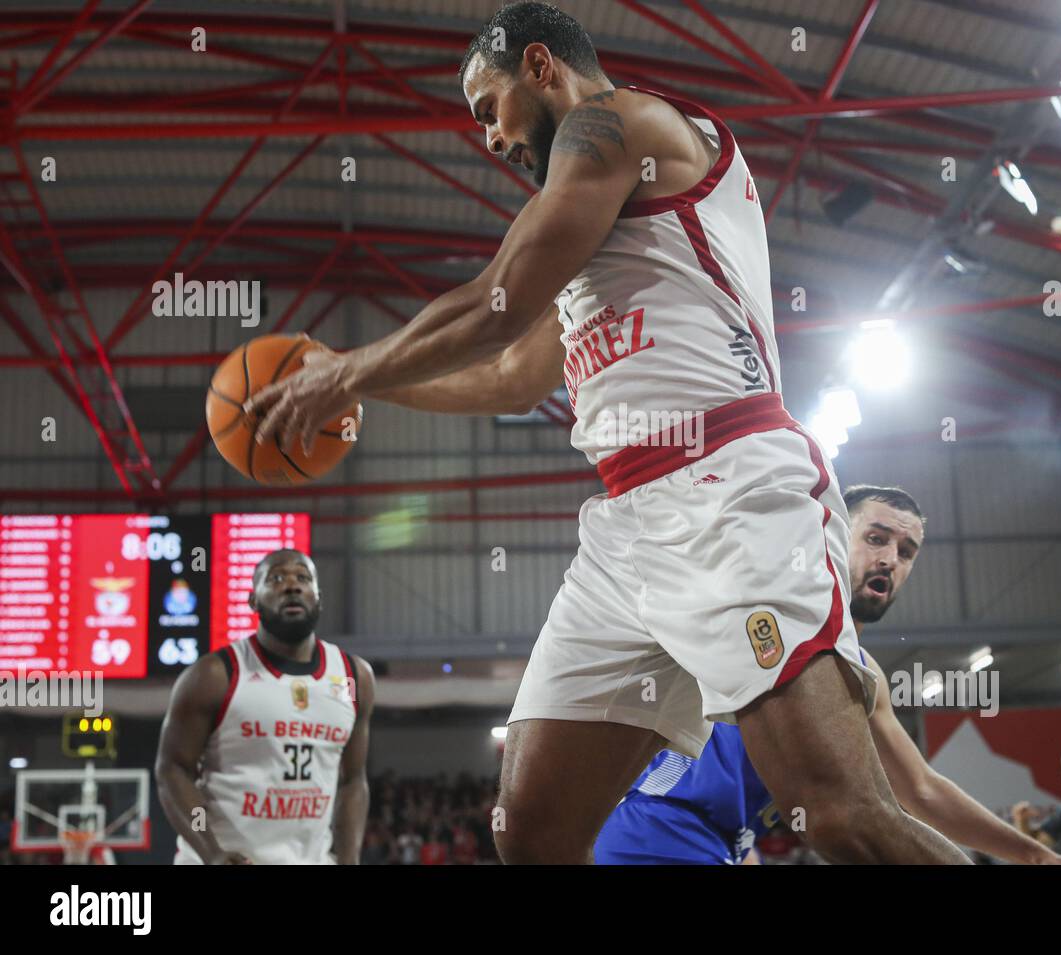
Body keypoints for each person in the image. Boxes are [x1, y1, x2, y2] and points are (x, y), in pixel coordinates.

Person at [246, 3, 967, 864]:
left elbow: (492, 303)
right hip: (628, 528)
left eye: (490, 108)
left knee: (842, 814)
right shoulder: (594, 230)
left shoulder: (618, 125)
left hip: (729, 486)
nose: (490, 137)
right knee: (535, 831)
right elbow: (512, 372)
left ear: (542, 68)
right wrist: (364, 388)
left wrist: (348, 370)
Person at [593, 485, 1061, 865]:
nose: (889, 559)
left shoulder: (864, 673)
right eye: (876, 537)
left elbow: (921, 789)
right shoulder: (763, 605)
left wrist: (1033, 855)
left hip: (717, 843)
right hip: (656, 830)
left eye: (906, 551)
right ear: (831, 532)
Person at [156, 549, 375, 864]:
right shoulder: (214, 675)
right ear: (253, 601)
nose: (291, 585)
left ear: (318, 597)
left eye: (302, 577)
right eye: (276, 578)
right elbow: (173, 771)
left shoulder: (354, 677)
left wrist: (350, 858)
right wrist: (210, 851)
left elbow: (354, 779)